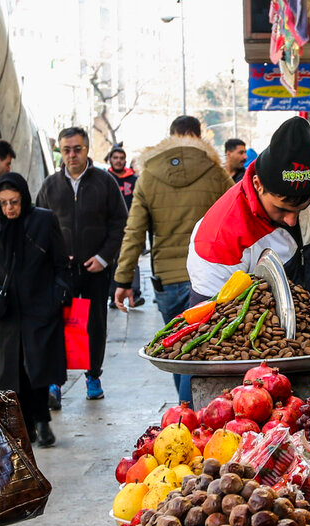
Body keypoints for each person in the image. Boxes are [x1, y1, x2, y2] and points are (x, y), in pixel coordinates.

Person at [112, 115, 233, 404]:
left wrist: (123, 278)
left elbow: (134, 232)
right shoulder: (216, 172)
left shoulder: (149, 176)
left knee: (178, 348)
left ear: (170, 137)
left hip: (167, 280)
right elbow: (236, 216)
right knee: (200, 349)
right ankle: (189, 412)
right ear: (198, 136)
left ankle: (183, 411)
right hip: (209, 277)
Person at [186, 115, 310, 303]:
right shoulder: (218, 238)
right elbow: (209, 319)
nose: (291, 220)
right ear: (258, 184)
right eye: (281, 209)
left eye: (301, 208)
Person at [0, 173, 69, 447]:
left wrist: (57, 295)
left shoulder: (43, 220)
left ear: (24, 198)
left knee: (36, 371)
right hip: (4, 314)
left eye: (14, 202)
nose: (9, 208)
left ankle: (42, 422)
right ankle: (23, 428)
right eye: (3, 203)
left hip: (39, 308)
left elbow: (61, 262)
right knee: (9, 373)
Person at [36, 127, 127, 401]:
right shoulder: (50, 186)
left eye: (77, 149)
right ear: (60, 152)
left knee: (94, 324)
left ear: (87, 150)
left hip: (95, 271)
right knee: (57, 323)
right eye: (66, 150)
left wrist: (103, 258)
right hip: (61, 272)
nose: (72, 155)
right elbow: (39, 227)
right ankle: (55, 381)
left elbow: (119, 223)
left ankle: (93, 376)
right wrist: (53, 259)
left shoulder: (105, 182)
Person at [105, 145, 143, 309]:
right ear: (110, 160)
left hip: (131, 225)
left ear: (125, 160)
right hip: (111, 227)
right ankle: (114, 294)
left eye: (121, 158)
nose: (118, 161)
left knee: (131, 258)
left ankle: (135, 293)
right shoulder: (105, 179)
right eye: (115, 158)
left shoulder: (133, 180)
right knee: (113, 261)